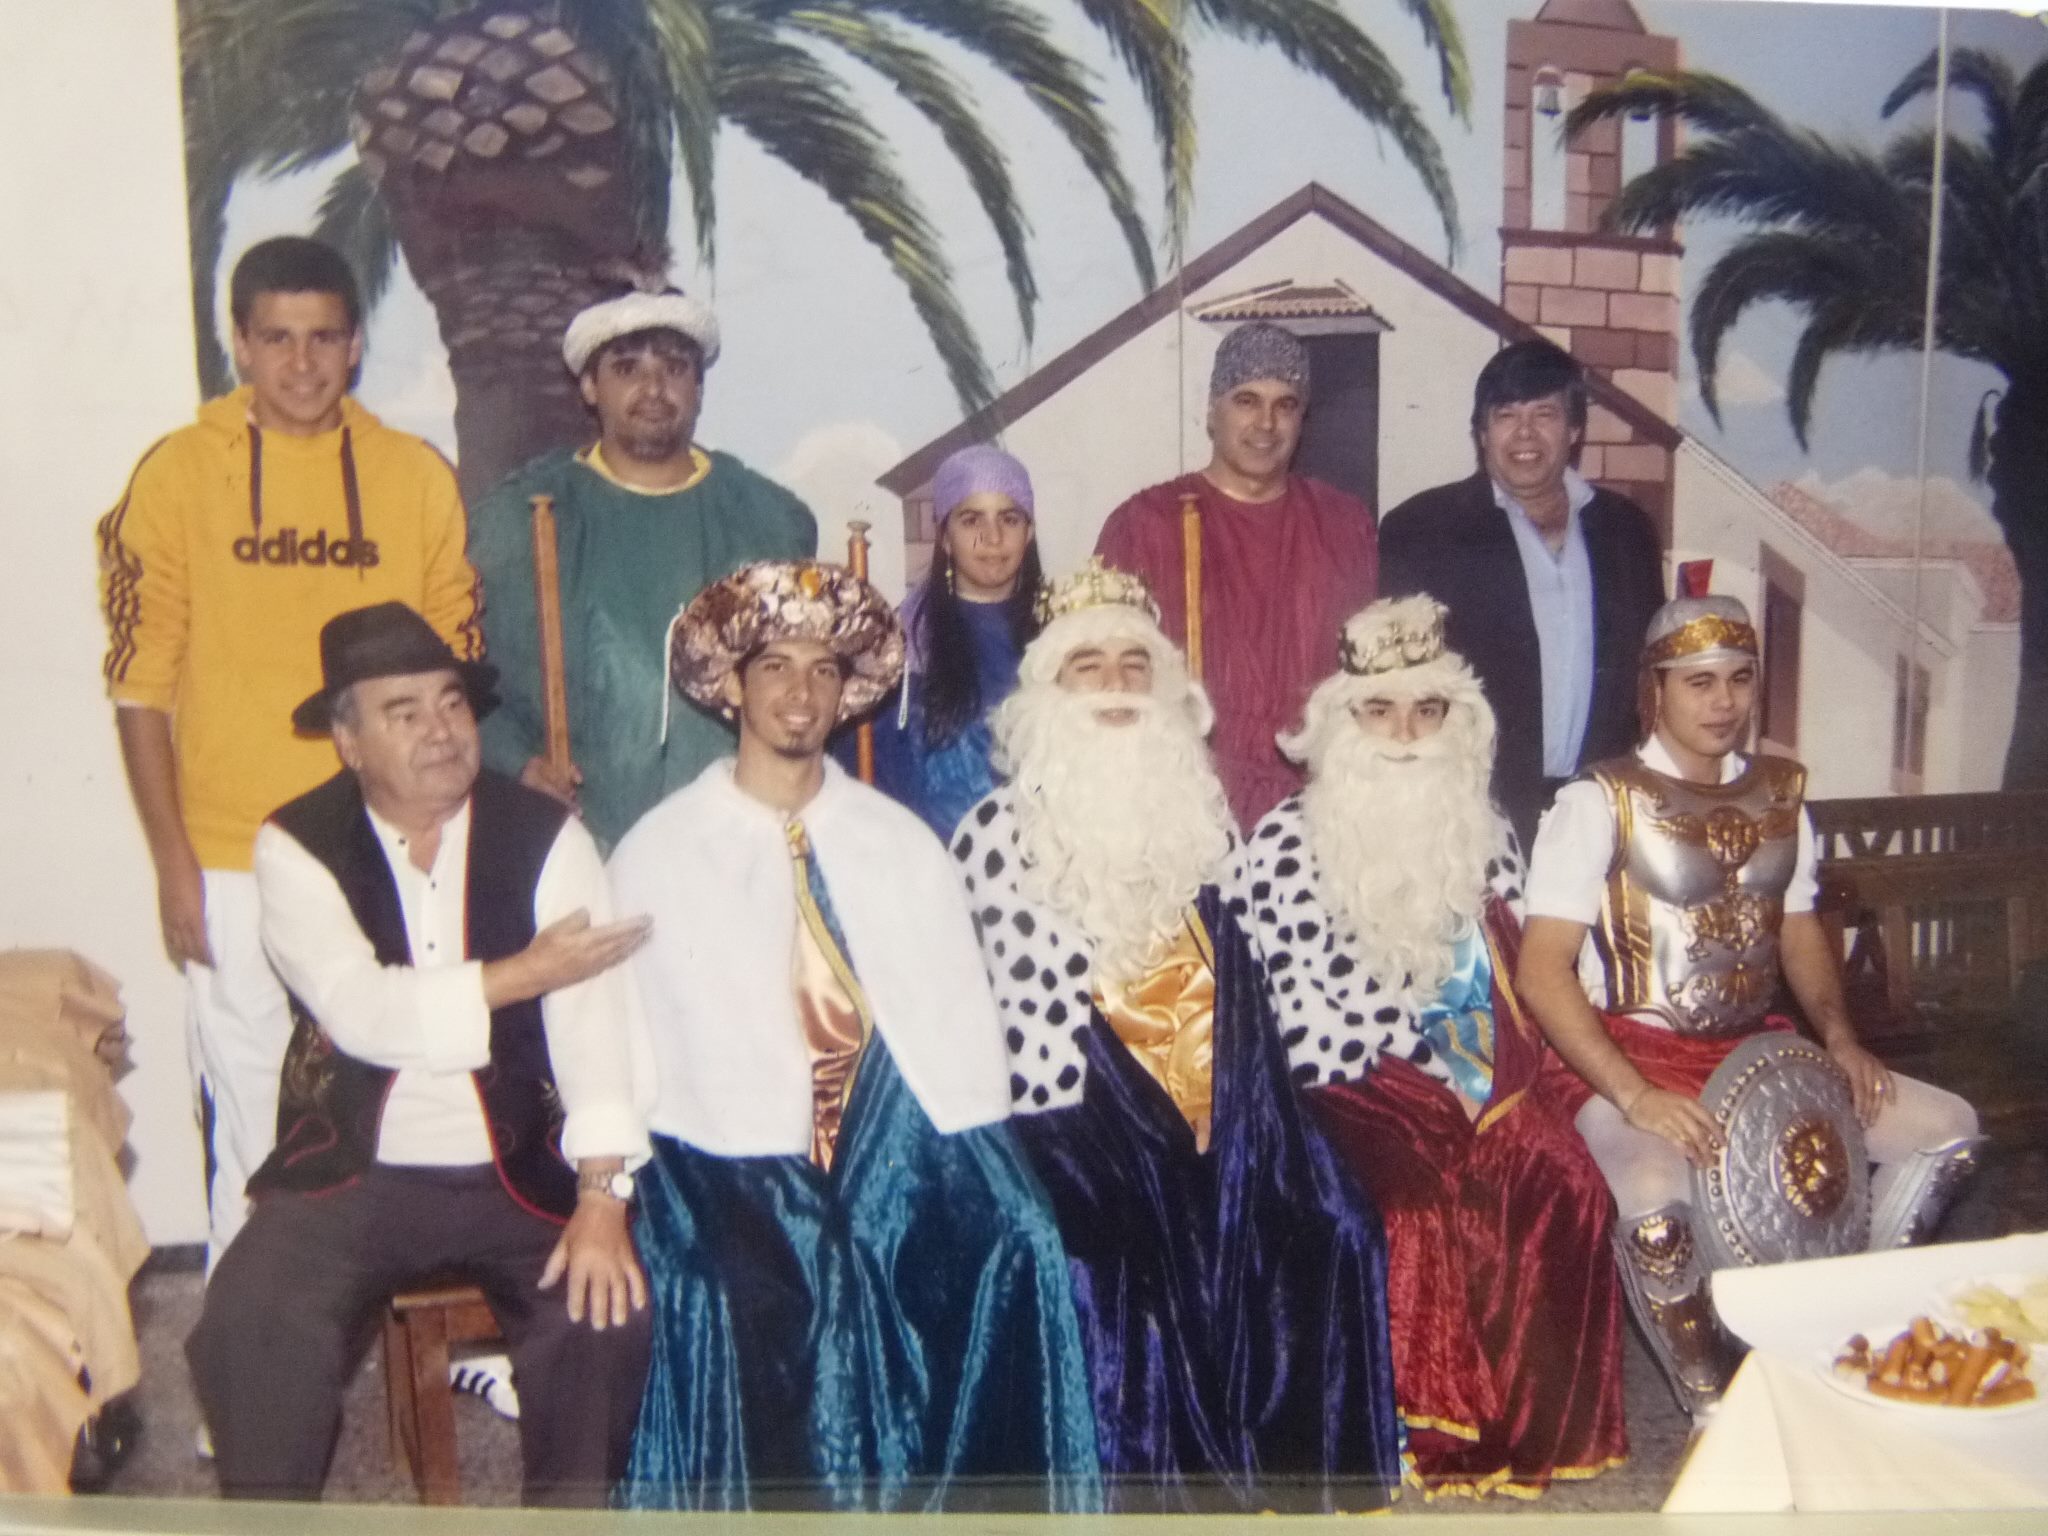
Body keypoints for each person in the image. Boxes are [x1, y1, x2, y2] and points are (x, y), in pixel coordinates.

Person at [607, 561, 1097, 1512]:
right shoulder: (659, 849)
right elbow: (632, 1038)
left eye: (823, 670)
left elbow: (950, 1032)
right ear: (733, 687)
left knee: (1022, 1234)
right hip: (722, 1153)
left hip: (891, 1126)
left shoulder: (896, 839)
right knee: (782, 1275)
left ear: (845, 693)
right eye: (777, 667)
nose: (802, 692)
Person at [951, 559, 1401, 1512]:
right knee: (1111, 1264)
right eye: (1089, 667)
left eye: (1135, 665)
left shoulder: (1204, 823)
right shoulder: (993, 834)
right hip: (1073, 1119)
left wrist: (1252, 1126)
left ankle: (1300, 1473)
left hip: (1221, 1104)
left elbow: (1248, 997)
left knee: (1337, 1222)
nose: (1116, 686)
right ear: (1048, 690)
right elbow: (1011, 1041)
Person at [185, 602, 655, 1505]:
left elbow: (596, 1020)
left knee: (604, 1318)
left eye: (451, 704)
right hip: (354, 1168)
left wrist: (603, 1197)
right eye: (404, 713)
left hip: (522, 1165)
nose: (441, 731)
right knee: (251, 1317)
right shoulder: (294, 845)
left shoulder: (547, 834)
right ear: (347, 742)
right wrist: (523, 972)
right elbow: (361, 1010)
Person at [96, 235, 483, 1283]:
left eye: (323, 339)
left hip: (384, 842)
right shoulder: (179, 473)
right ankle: (249, 1350)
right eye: (277, 339)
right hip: (232, 854)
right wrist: (173, 861)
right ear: (240, 343)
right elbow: (139, 685)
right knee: (256, 1110)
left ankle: (417, 1330)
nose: (301, 364)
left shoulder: (413, 478)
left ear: (355, 345)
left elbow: (452, 670)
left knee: (412, 1093)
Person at [1515, 595, 1983, 1416]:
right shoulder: (1597, 802)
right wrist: (1636, 1096)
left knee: (1948, 1132)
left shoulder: (1782, 796)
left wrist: (1840, 1037)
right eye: (1699, 682)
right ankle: (1715, 1409)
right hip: (1626, 1059)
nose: (1723, 701)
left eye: (1739, 679)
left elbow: (1797, 930)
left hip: (1754, 1052)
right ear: (1655, 689)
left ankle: (1835, 1333)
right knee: (1656, 1203)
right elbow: (1541, 974)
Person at [1240, 595, 1626, 1499]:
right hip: (1347, 1080)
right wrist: (1425, 1082)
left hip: (1474, 1068)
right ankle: (1425, 1428)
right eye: (1379, 711)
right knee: (1412, 1208)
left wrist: (1479, 1080)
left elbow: (1512, 969)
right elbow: (1296, 1012)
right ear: (1341, 722)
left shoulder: (1485, 830)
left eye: (1428, 710)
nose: (1406, 734)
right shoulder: (1283, 844)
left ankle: (1534, 1429)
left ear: (1460, 719)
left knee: (1564, 1182)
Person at [468, 287, 816, 851]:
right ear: (589, 386)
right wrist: (522, 765)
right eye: (627, 369)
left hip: (733, 840)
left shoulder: (768, 520)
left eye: (674, 369)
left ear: (699, 387)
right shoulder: (521, 520)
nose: (653, 390)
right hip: (577, 839)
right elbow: (467, 683)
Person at [1379, 339, 1664, 853]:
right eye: (1506, 415)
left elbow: (1649, 682)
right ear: (1481, 433)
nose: (1525, 433)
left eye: (1545, 414)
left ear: (1575, 430)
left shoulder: (1628, 531)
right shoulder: (1421, 530)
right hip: (1469, 820)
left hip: (1601, 812)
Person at [1095, 322, 1377, 831]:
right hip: (1186, 810)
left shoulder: (1342, 525)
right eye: (1247, 400)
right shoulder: (1145, 525)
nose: (1266, 423)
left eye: (1285, 404)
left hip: (1318, 814)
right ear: (1212, 411)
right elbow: (1107, 686)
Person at [872, 445, 1045, 838]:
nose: (993, 538)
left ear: (1030, 532)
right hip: (933, 858)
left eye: (1009, 518)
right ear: (945, 537)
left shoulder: (1062, 635)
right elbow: (878, 777)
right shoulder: (904, 644)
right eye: (971, 520)